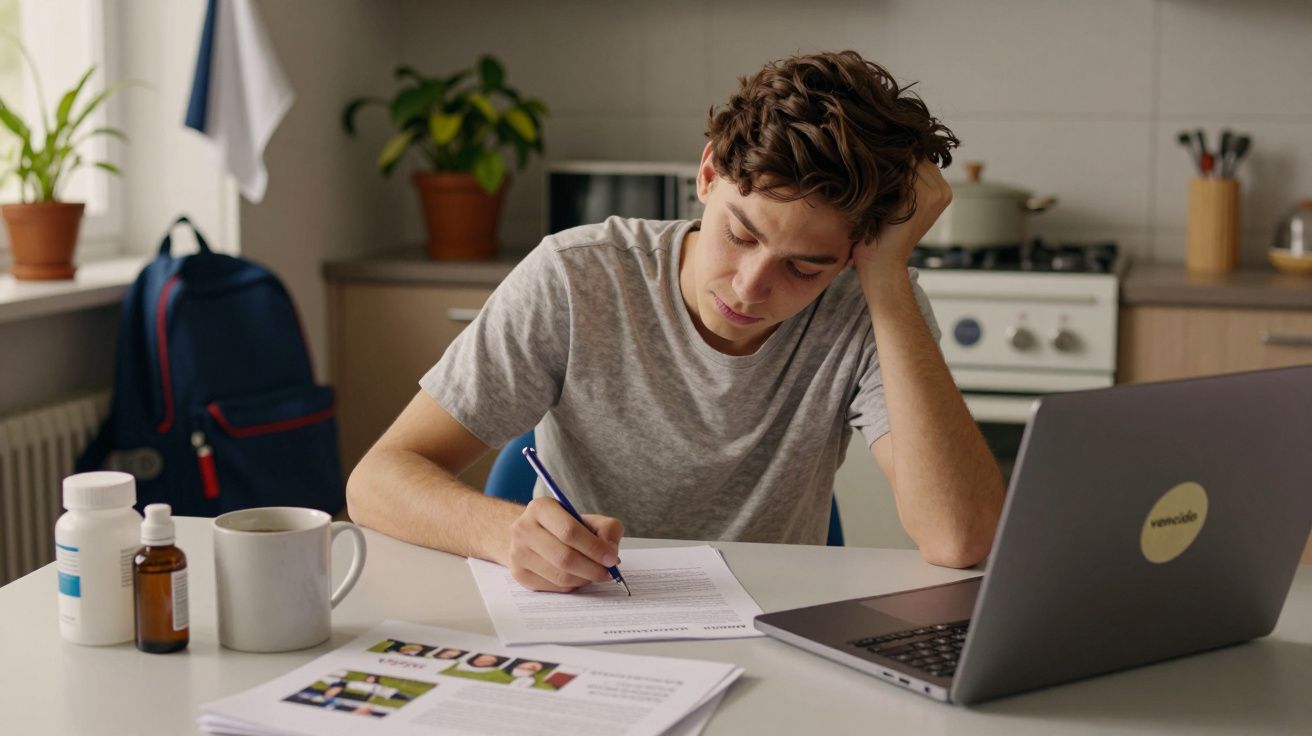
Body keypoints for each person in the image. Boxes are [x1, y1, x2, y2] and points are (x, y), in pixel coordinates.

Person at [347, 50, 1005, 593]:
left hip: (771, 629)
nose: (751, 289)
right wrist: (500, 533)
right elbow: (377, 480)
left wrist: (888, 276)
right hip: (587, 613)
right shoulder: (578, 276)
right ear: (710, 172)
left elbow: (958, 538)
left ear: (853, 254)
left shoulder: (870, 299)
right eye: (741, 236)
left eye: (805, 268)